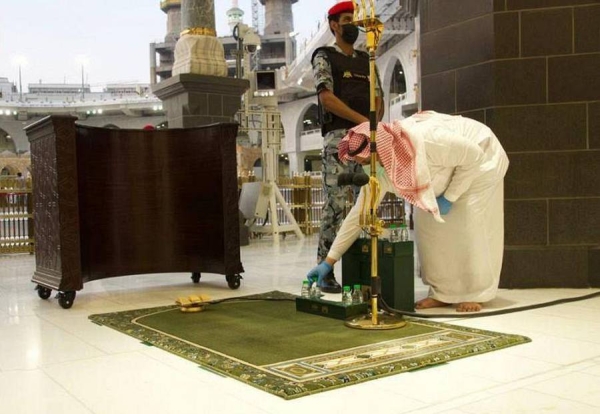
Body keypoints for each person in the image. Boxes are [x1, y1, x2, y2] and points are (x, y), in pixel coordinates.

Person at [306, 111, 509, 312]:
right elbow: (358, 216)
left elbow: (473, 156)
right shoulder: (382, 170)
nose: (366, 169)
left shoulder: (428, 139)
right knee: (428, 231)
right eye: (361, 164)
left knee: (470, 225)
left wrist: (450, 197)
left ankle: (475, 293)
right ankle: (443, 294)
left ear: (380, 151)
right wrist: (329, 262)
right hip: (450, 170)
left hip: (483, 160)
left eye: (367, 162)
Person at [311, 1, 384, 293]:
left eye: (354, 19)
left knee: (366, 202)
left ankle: (361, 269)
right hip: (339, 139)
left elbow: (377, 99)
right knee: (338, 204)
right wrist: (361, 122)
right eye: (346, 19)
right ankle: (324, 271)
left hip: (366, 140)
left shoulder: (368, 59)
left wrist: (372, 127)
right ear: (333, 25)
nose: (352, 24)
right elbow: (326, 97)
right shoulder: (324, 56)